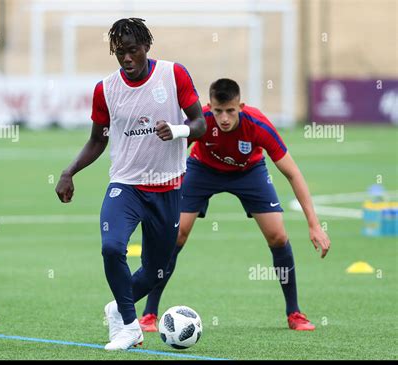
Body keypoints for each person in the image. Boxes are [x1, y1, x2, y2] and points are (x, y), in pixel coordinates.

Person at [55, 18, 206, 350]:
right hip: (125, 185)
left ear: (146, 47)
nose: (127, 59)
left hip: (167, 187)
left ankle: (117, 307)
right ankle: (129, 325)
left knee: (156, 272)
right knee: (112, 248)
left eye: (133, 51)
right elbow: (98, 139)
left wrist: (179, 131)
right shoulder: (105, 89)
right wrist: (69, 172)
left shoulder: (173, 74)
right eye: (121, 52)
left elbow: (201, 124)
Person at [139, 78, 331, 332]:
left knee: (277, 235)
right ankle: (149, 313)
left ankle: (294, 313)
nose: (224, 118)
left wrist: (314, 224)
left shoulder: (258, 124)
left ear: (241, 106)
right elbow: (168, 155)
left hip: (248, 171)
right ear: (210, 107)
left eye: (230, 110)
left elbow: (293, 173)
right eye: (218, 111)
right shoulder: (202, 120)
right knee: (177, 235)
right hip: (202, 169)